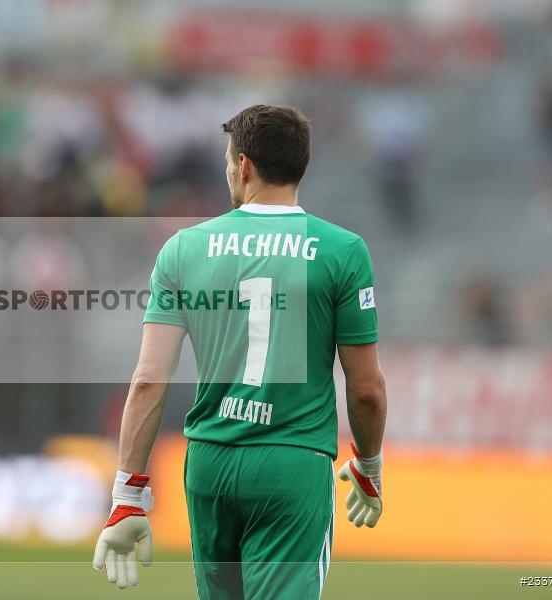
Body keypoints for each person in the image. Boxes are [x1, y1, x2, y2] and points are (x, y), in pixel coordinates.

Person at [93, 104, 388, 599]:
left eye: (229, 159)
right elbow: (366, 390)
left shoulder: (183, 249)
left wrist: (127, 497)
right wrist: (369, 465)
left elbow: (149, 381)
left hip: (210, 462)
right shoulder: (342, 251)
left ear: (244, 165)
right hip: (291, 462)